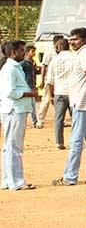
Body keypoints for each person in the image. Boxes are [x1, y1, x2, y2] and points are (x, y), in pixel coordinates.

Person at [53, 27, 86, 186]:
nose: (71, 42)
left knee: (76, 140)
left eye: (75, 39)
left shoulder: (84, 53)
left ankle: (70, 177)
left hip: (82, 101)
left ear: (85, 39)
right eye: (70, 39)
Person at [1, 40, 39, 191]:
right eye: (22, 50)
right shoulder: (10, 69)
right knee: (13, 147)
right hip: (14, 111)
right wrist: (30, 93)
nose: (24, 53)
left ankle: (7, 180)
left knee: (9, 146)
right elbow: (10, 92)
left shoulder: (13, 67)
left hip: (15, 110)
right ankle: (16, 182)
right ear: (13, 52)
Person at [44, 38, 75, 150]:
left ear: (58, 48)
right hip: (73, 92)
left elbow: (50, 81)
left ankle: (59, 142)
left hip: (59, 92)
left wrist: (51, 95)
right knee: (75, 118)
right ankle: (75, 141)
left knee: (58, 118)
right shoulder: (75, 58)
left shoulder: (54, 61)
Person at [35, 34, 64, 129]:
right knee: (46, 100)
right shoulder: (49, 53)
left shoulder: (64, 53)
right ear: (55, 43)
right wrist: (42, 80)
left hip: (60, 80)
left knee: (59, 101)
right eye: (60, 43)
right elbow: (44, 66)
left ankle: (60, 121)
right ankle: (40, 121)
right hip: (50, 80)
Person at [22, 45, 38, 127]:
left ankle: (35, 121)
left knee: (32, 104)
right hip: (27, 86)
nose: (34, 53)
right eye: (32, 51)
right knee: (30, 104)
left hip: (32, 85)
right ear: (27, 52)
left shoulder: (32, 62)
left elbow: (33, 73)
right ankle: (34, 121)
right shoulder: (24, 63)